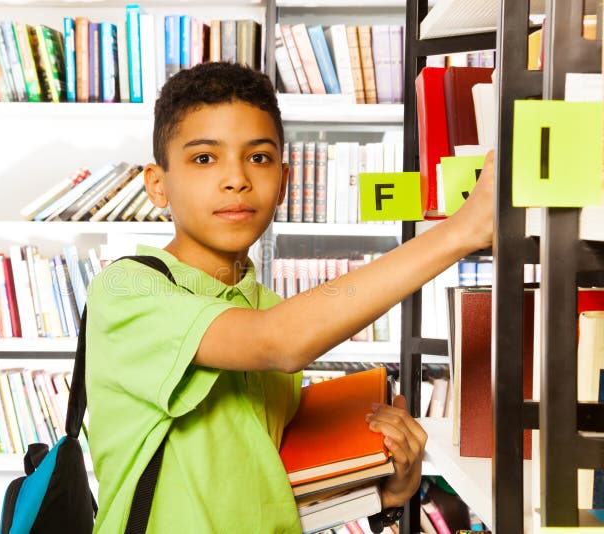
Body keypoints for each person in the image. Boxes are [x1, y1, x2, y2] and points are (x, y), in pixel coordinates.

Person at [85, 61, 494, 533]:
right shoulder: (127, 291)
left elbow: (265, 487)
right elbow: (278, 341)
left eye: (257, 158)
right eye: (204, 158)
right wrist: (460, 232)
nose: (236, 178)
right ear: (157, 184)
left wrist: (385, 492)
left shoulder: (267, 306)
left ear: (283, 181)